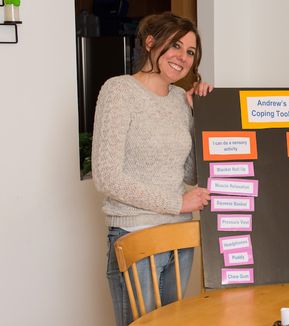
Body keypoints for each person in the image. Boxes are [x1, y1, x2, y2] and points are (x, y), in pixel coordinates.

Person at [92, 12, 212, 326]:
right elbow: (107, 176)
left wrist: (203, 116)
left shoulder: (177, 99)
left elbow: (191, 174)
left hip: (178, 238)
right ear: (150, 43)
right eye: (175, 46)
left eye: (190, 52)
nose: (183, 57)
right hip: (135, 235)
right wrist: (177, 203)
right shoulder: (119, 91)